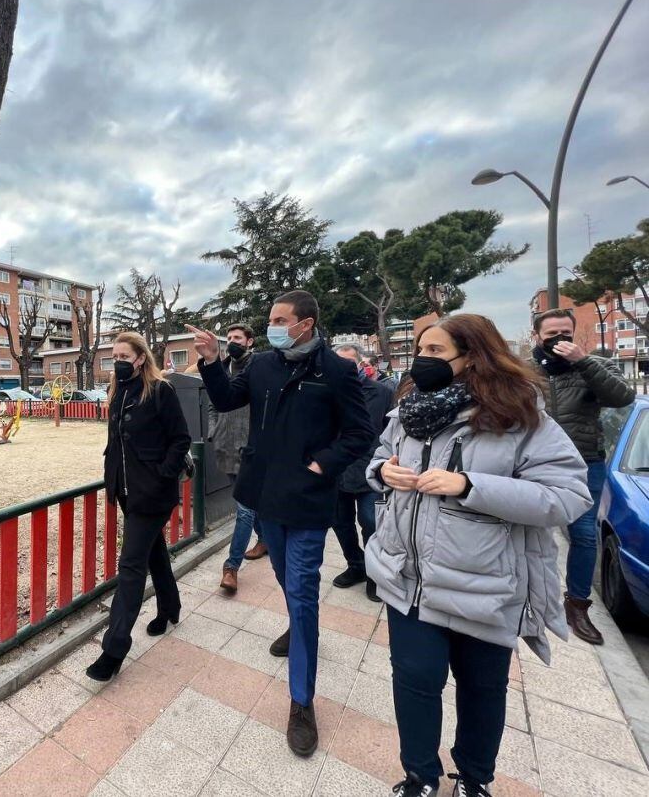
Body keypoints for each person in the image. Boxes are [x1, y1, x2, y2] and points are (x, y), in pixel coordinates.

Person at [365, 314, 591, 797]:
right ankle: (420, 776)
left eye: (435, 352)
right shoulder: (408, 409)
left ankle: (473, 777)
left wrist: (471, 486)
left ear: (472, 357)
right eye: (420, 351)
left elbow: (569, 495)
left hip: (485, 583)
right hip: (408, 578)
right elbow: (379, 456)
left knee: (483, 690)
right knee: (415, 682)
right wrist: (383, 471)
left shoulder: (519, 416)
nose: (422, 361)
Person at [189, 290, 373, 756]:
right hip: (264, 495)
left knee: (304, 589)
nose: (271, 325)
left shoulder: (336, 370)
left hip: (310, 501)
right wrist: (212, 360)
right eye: (271, 319)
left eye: (279, 319)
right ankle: (296, 624)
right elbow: (228, 400)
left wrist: (321, 465)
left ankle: (301, 701)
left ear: (305, 323)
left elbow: (359, 433)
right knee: (282, 577)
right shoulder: (262, 365)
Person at [86, 332, 192, 682]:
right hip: (128, 491)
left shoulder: (160, 391)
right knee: (153, 551)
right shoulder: (118, 391)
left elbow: (180, 439)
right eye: (113, 354)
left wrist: (163, 475)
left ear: (140, 358)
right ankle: (170, 607)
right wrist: (112, 480)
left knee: (131, 564)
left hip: (154, 493)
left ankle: (114, 649)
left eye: (123, 355)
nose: (117, 360)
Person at [531, 309, 635, 645]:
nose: (559, 339)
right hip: (534, 463)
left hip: (584, 461)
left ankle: (576, 604)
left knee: (584, 534)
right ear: (537, 337)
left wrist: (583, 362)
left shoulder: (595, 365)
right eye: (551, 334)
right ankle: (528, 592)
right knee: (528, 528)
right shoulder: (527, 371)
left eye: (565, 332)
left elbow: (622, 397)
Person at [331, 343, 393, 602]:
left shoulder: (381, 393)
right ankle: (355, 565)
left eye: (348, 362)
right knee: (340, 523)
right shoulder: (325, 392)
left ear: (359, 364)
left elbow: (390, 432)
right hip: (335, 471)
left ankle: (373, 574)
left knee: (370, 522)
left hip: (369, 470)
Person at [209, 323, 264, 593]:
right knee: (249, 504)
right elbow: (213, 403)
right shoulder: (221, 369)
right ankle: (264, 539)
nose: (232, 342)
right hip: (225, 446)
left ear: (250, 341)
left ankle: (231, 567)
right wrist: (213, 432)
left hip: (250, 450)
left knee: (243, 508)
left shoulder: (259, 368)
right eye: (229, 338)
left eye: (238, 338)